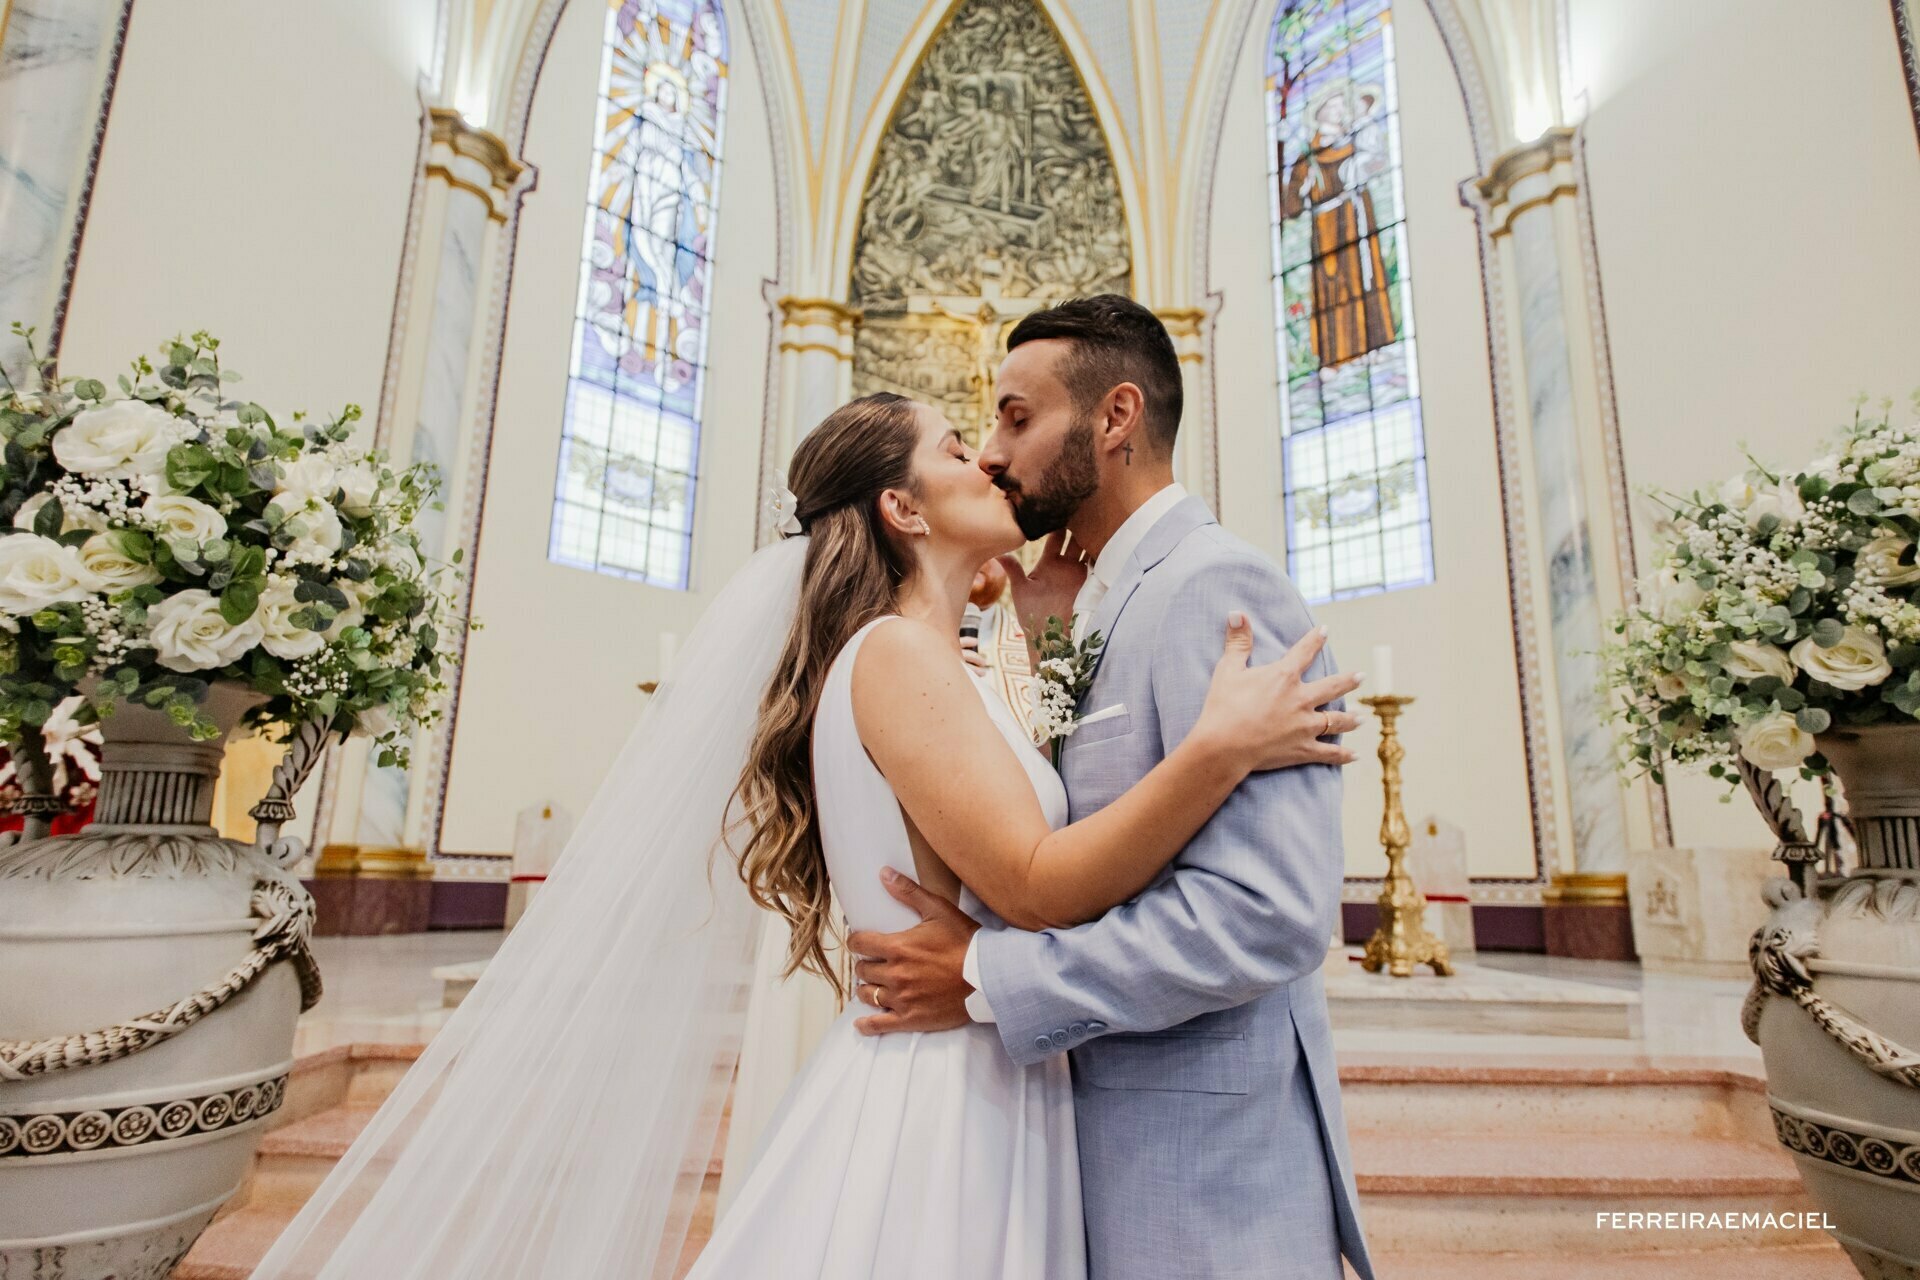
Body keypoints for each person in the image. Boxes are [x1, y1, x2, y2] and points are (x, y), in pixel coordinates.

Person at [251, 385, 1358, 1279]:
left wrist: (1045, 637)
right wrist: (1214, 750)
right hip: (947, 1097)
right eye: (962, 445)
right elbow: (1032, 879)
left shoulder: (929, 658)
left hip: (984, 1063)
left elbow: (1021, 816)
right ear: (903, 509)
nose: (991, 462)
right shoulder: (893, 657)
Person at [849, 295, 1376, 1280]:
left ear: (1115, 417)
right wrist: (1050, 649)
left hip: (1198, 1180)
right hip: (1068, 1145)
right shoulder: (1088, 604)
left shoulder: (1219, 589)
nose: (996, 454)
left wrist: (988, 975)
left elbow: (1268, 912)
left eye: (1016, 417)